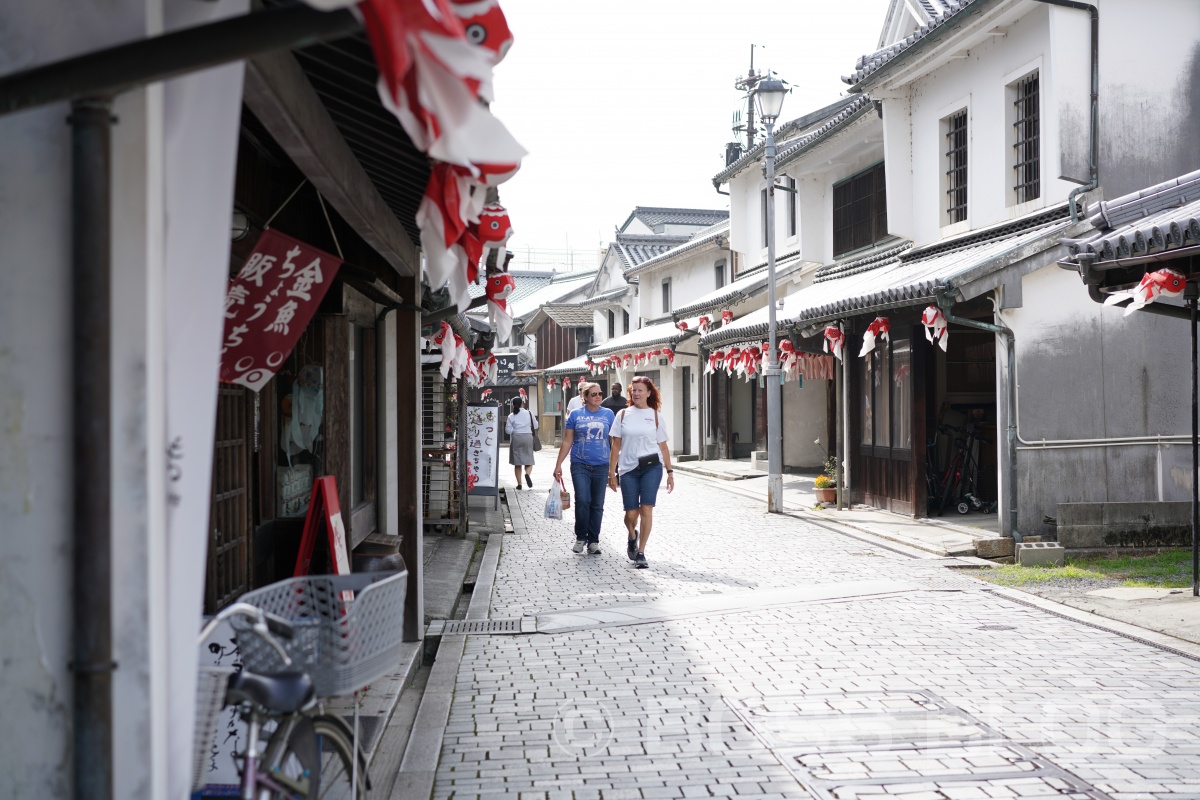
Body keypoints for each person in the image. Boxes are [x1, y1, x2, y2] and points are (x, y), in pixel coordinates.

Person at [607, 376, 673, 569]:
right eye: (633, 390)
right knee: (631, 513)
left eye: (640, 390)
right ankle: (632, 535)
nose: (636, 393)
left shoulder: (655, 415)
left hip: (651, 467)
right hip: (628, 468)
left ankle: (641, 552)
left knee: (646, 509)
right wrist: (612, 473)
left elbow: (663, 447)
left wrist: (670, 472)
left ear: (649, 392)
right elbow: (615, 446)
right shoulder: (622, 415)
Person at [552, 382, 614, 555]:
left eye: (600, 393)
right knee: (583, 500)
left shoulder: (608, 414)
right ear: (585, 397)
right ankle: (581, 537)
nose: (598, 396)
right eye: (593, 394)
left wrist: (614, 467)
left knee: (597, 504)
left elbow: (614, 442)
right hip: (580, 463)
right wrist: (558, 465)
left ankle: (593, 541)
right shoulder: (576, 415)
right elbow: (567, 440)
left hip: (601, 464)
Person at [505, 396, 536, 489]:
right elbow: (536, 425)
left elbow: (507, 430)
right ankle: (527, 474)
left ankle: (519, 484)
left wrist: (514, 431)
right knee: (529, 460)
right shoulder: (529, 413)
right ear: (522, 403)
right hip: (528, 437)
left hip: (517, 438)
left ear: (513, 405)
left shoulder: (511, 416)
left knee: (517, 463)